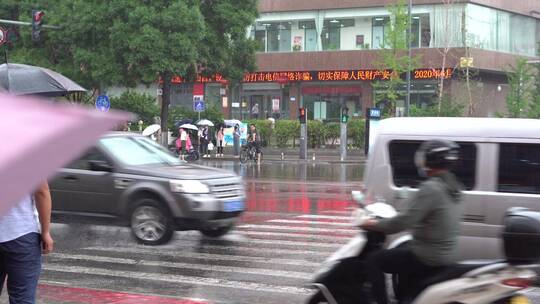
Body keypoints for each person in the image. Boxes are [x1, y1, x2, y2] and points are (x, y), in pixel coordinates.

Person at [361, 140, 463, 304]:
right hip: (445, 253)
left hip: (427, 257)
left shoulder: (432, 188)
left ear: (431, 160)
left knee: (374, 260)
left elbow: (403, 222)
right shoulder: (454, 186)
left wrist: (373, 224)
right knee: (404, 249)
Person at [0, 182, 54, 304]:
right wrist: (45, 231)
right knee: (22, 298)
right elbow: (41, 191)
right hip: (20, 232)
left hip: (20, 234)